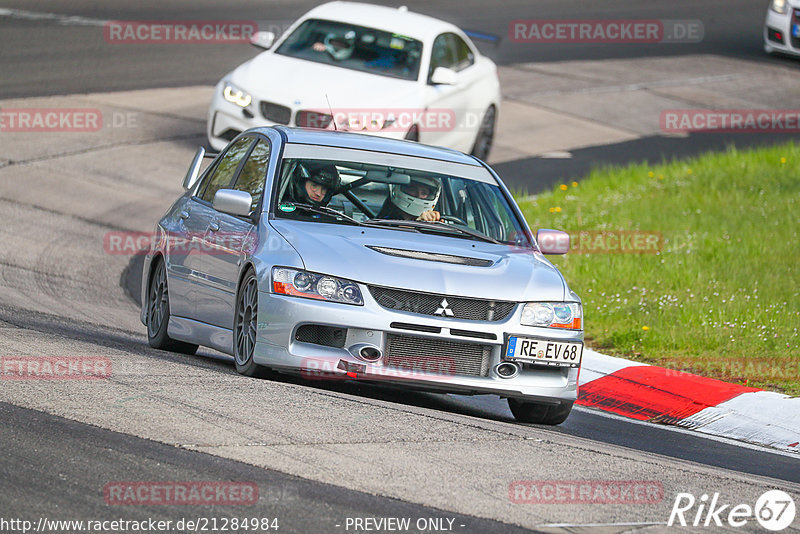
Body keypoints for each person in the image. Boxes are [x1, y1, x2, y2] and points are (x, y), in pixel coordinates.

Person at [377, 176, 441, 221]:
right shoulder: (386, 221)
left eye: (424, 193)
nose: (418, 195)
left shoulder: (432, 222)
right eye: (413, 190)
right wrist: (417, 224)